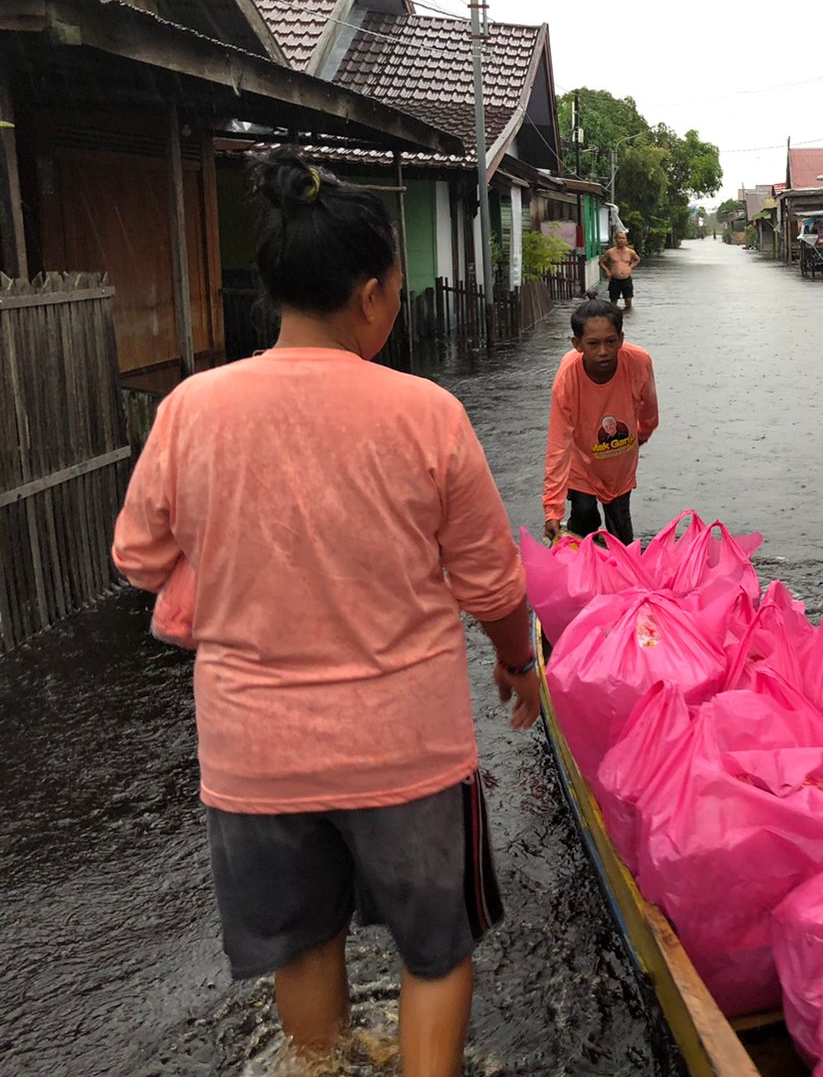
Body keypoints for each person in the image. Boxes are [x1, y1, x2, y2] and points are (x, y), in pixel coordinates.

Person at [111, 149, 540, 1077]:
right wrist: (518, 663)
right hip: (407, 747)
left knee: (304, 947)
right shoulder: (426, 414)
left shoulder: (192, 410)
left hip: (254, 754)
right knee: (437, 950)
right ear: (375, 292)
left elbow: (138, 558)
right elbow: (493, 585)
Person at [543, 299, 658, 545]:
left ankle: (621, 577)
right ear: (578, 344)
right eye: (593, 344)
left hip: (619, 462)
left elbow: (649, 406)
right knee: (584, 517)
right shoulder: (568, 378)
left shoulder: (638, 363)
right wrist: (552, 509)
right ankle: (582, 564)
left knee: (620, 528)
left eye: (610, 342)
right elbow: (558, 444)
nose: (603, 351)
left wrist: (642, 434)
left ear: (621, 338)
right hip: (581, 460)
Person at [600, 229, 642, 310]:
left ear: (626, 240)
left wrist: (631, 267)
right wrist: (607, 271)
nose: (621, 240)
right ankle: (614, 316)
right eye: (619, 238)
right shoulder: (610, 252)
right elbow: (601, 262)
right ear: (616, 240)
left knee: (628, 300)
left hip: (627, 279)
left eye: (623, 238)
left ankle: (628, 317)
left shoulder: (630, 252)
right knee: (613, 301)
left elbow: (637, 259)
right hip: (614, 279)